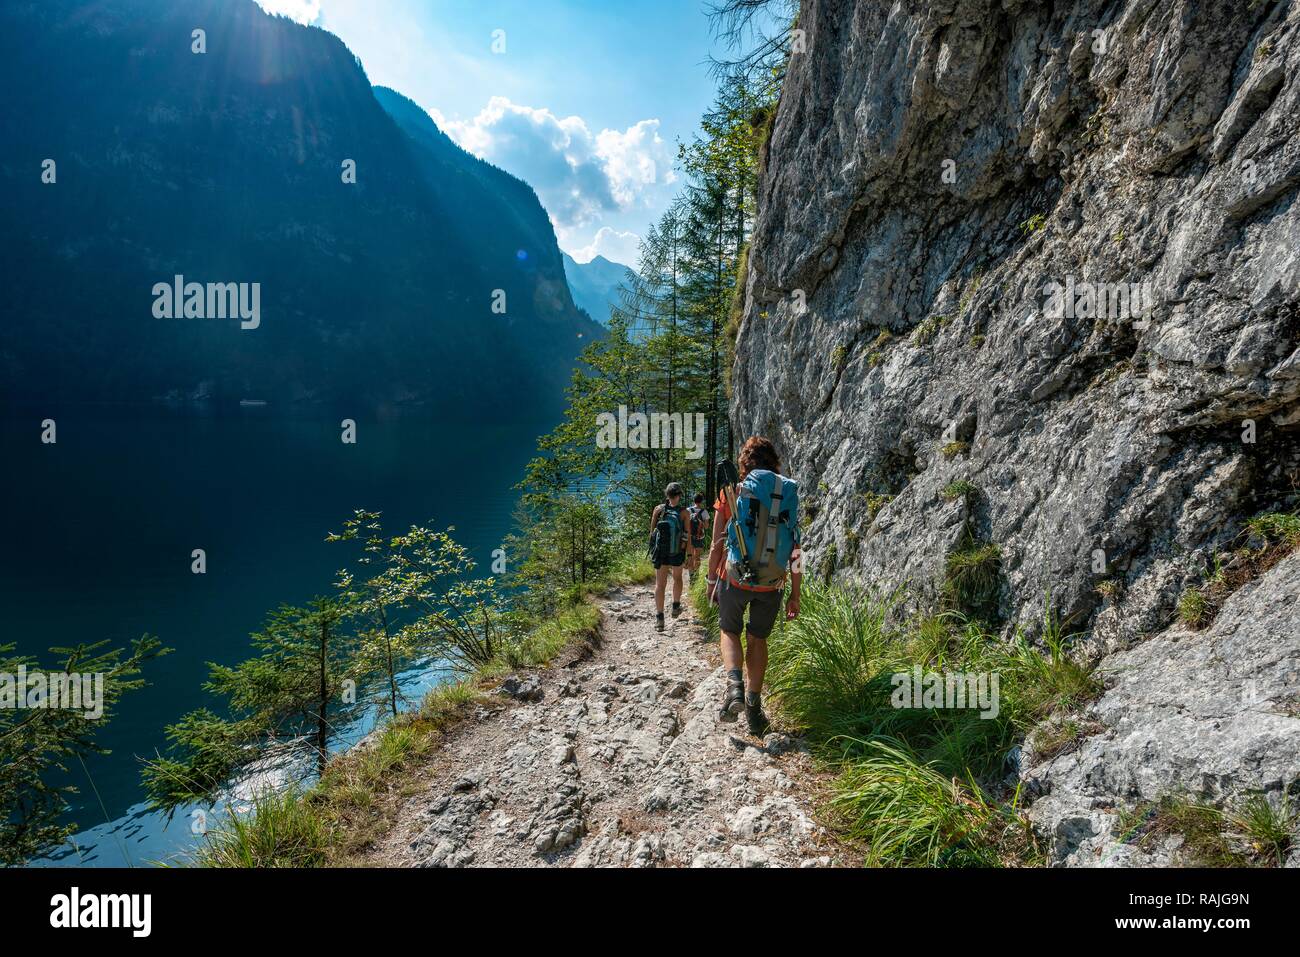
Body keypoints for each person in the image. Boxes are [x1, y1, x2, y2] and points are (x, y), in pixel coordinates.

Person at [707, 437, 801, 736]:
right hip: (772, 584)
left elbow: (716, 545)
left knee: (729, 631)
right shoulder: (787, 493)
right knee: (758, 640)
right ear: (773, 462)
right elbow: (796, 549)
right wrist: (795, 594)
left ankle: (734, 687)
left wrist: (712, 580)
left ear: (745, 463)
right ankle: (754, 709)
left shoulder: (732, 493)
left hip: (735, 578)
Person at [649, 482, 694, 632]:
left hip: (661, 553)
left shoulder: (658, 509)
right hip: (677, 552)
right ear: (679, 495)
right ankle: (675, 606)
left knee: (660, 584)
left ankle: (660, 618)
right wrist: (689, 555)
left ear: (666, 495)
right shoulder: (684, 512)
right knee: (677, 578)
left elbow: (652, 534)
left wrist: (653, 551)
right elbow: (688, 535)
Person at [686, 493, 710, 572]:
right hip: (699, 537)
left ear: (694, 500)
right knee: (697, 557)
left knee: (691, 556)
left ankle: (691, 575)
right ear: (702, 501)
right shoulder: (704, 512)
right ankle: (696, 574)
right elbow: (706, 527)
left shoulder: (688, 510)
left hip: (690, 536)